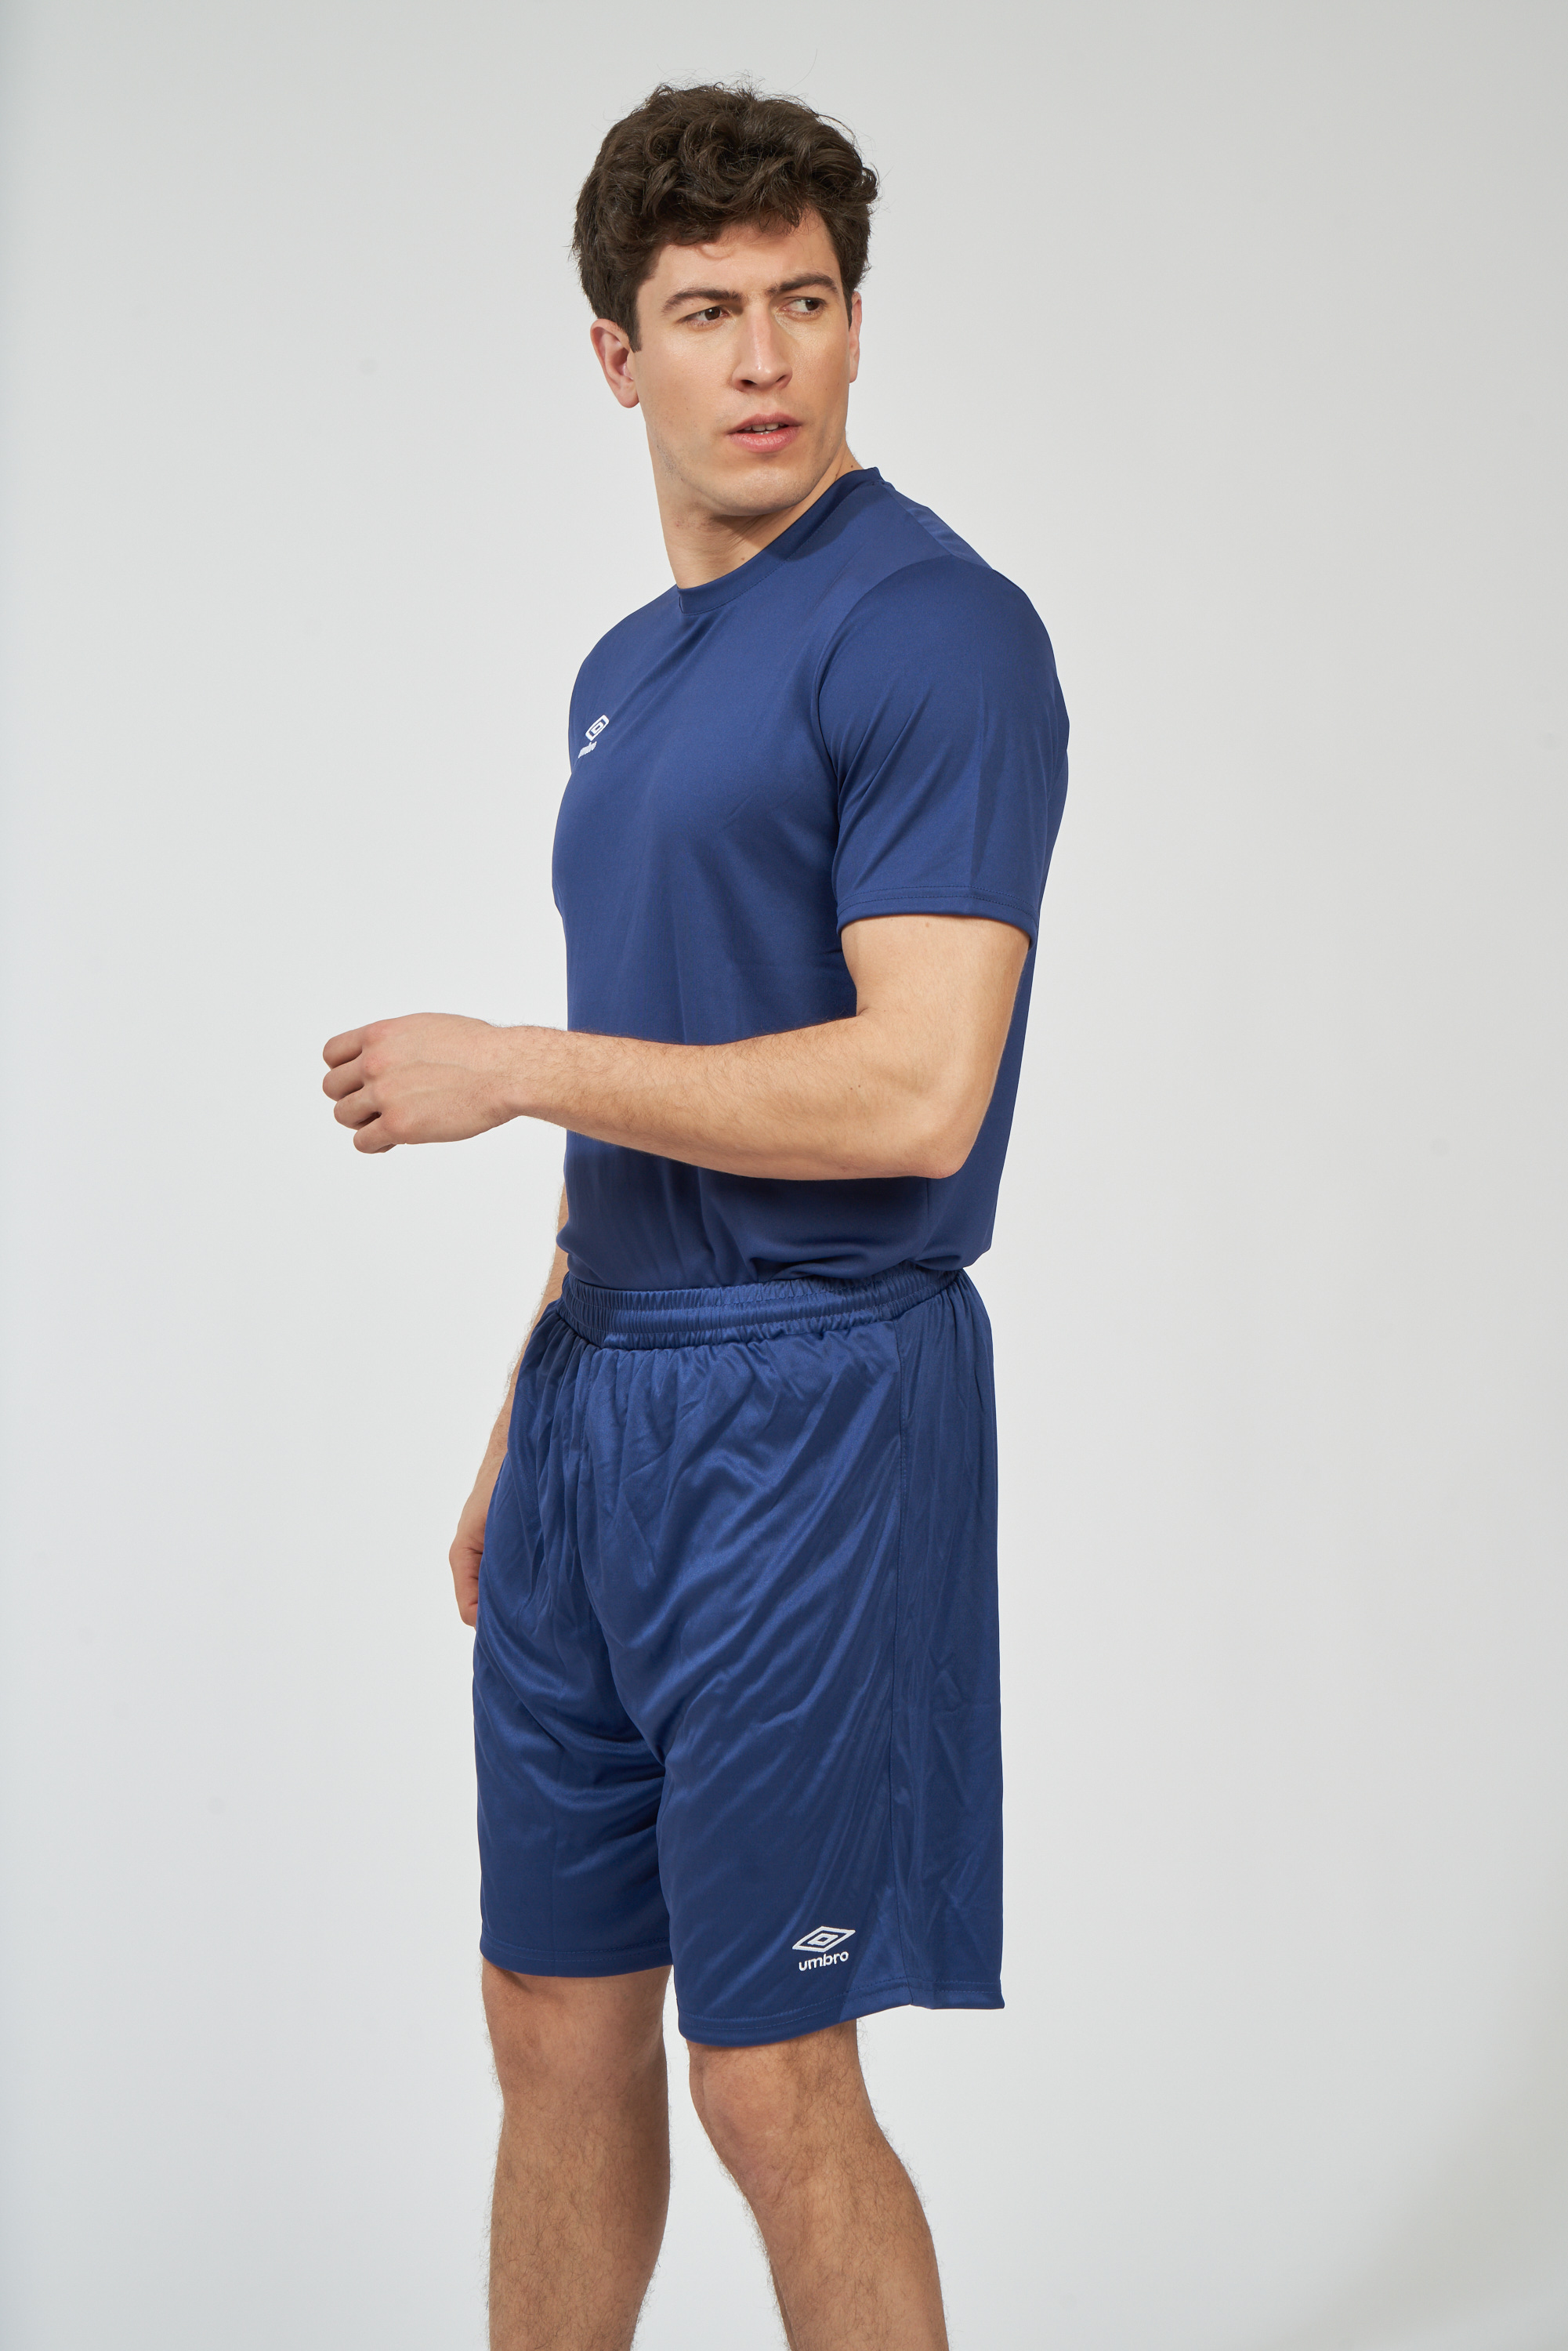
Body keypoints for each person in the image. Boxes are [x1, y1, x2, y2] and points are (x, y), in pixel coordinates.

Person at [322, 80, 1068, 2351]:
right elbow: (683, 1052)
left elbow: (914, 1089)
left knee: (766, 2071)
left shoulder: (933, 629)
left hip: (810, 1414)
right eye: (707, 310)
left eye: (804, 303)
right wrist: (523, 1407)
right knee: (550, 2027)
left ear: (854, 323)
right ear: (615, 353)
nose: (762, 359)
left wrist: (514, 1064)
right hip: (603, 1403)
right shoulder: (623, 678)